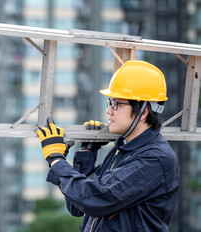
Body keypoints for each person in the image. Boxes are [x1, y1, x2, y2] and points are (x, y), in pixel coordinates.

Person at [36, 60, 180, 231]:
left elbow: (96, 199)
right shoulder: (124, 150)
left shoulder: (155, 159)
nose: (108, 111)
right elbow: (77, 206)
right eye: (109, 102)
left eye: (116, 104)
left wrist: (56, 161)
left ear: (143, 112)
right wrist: (87, 153)